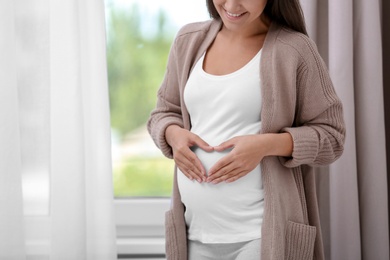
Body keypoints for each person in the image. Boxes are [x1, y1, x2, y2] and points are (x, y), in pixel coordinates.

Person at [147, 0, 346, 259]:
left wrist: (264, 145)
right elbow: (162, 114)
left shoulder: (294, 49)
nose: (231, 4)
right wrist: (173, 135)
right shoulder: (188, 41)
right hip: (193, 233)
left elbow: (333, 137)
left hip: (260, 237)